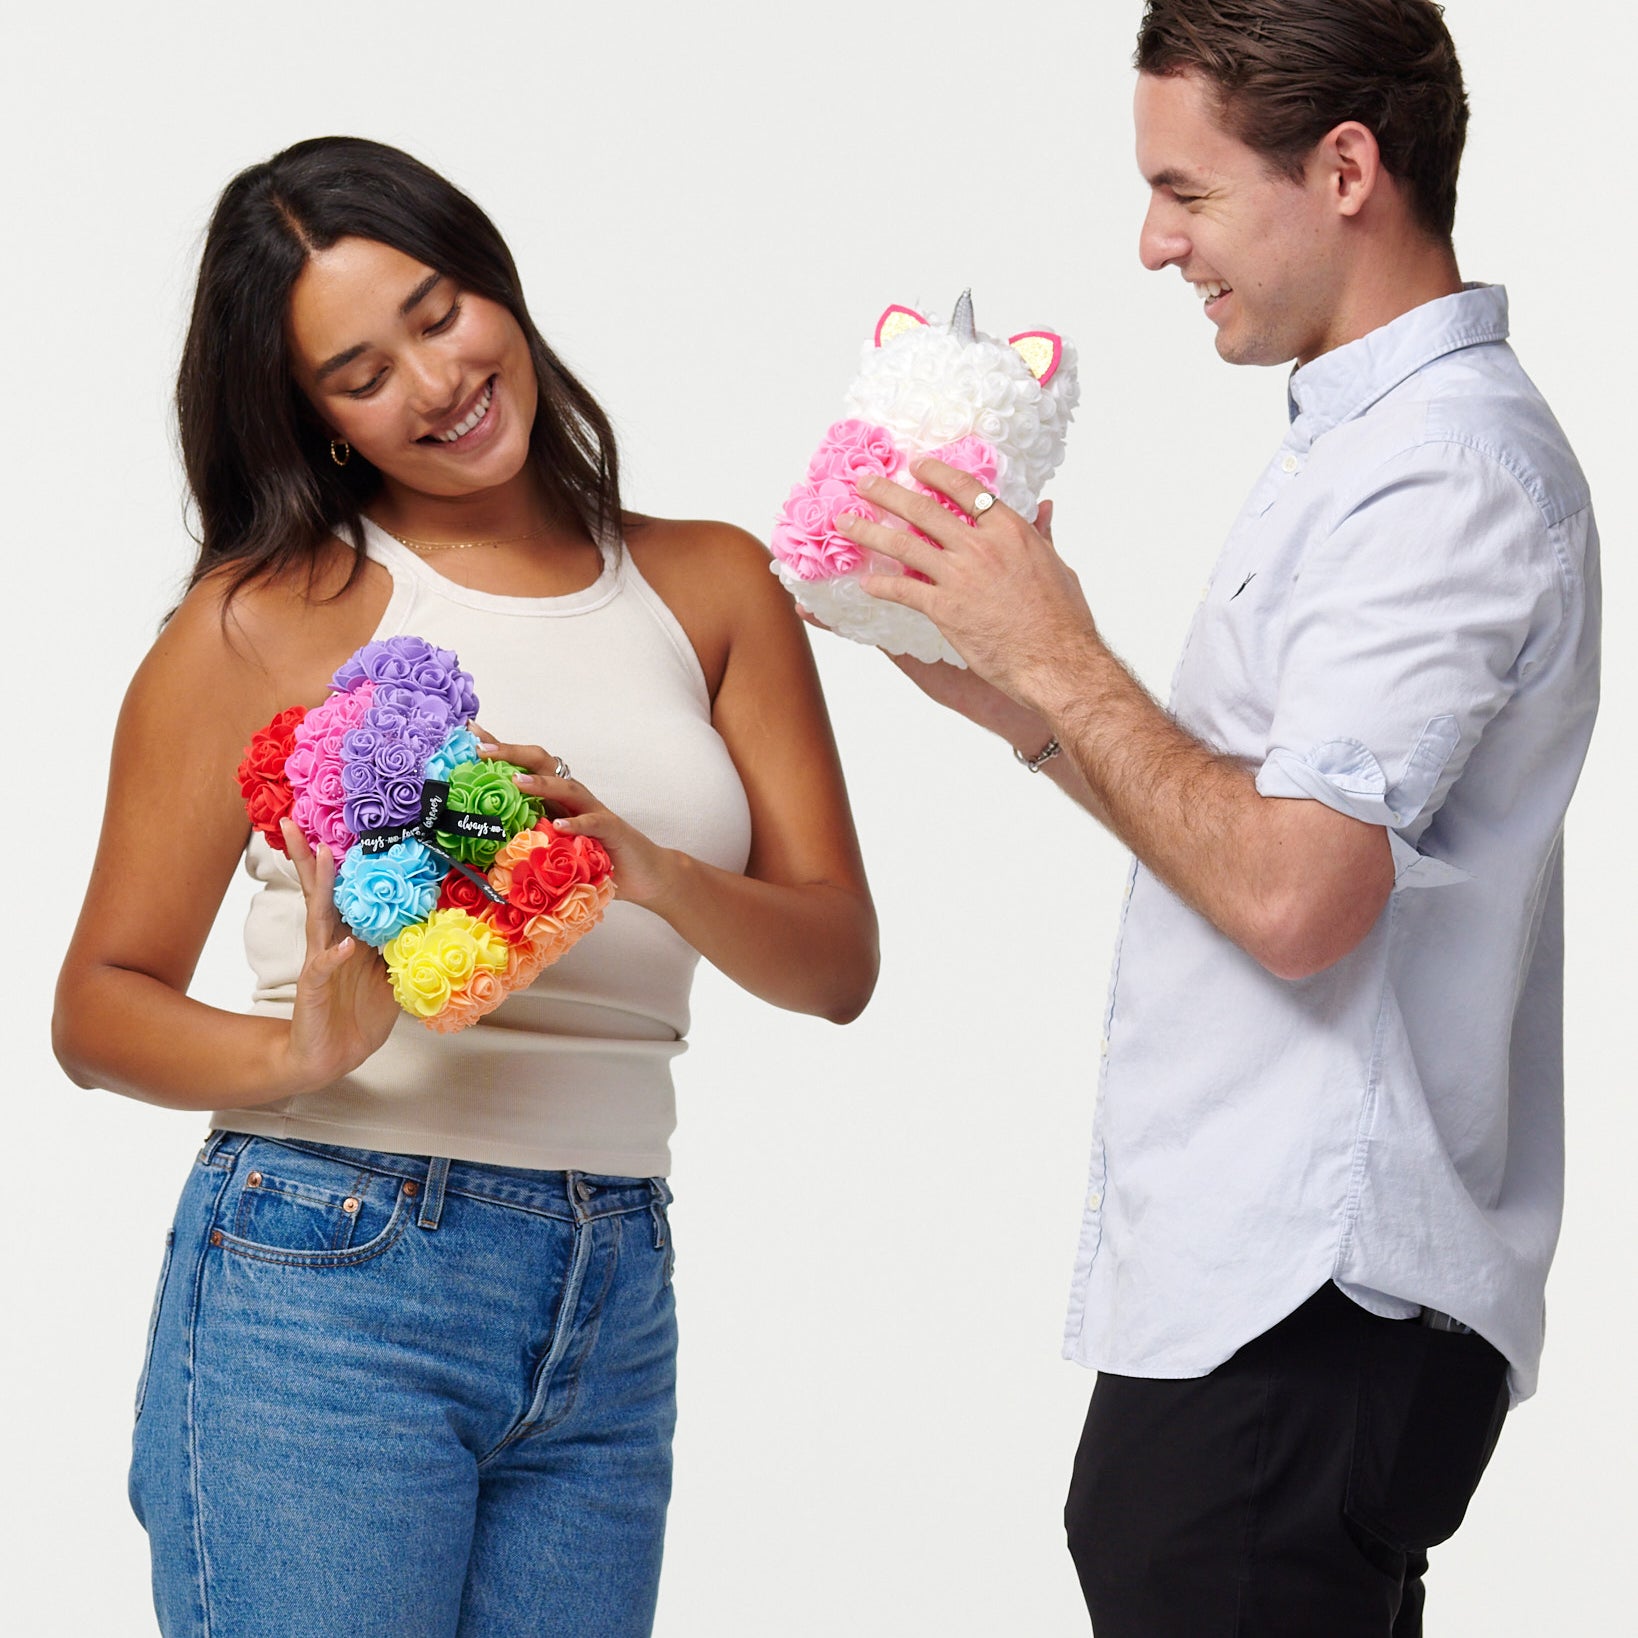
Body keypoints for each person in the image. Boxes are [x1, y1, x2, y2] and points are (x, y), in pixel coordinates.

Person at [829, 2, 1599, 1632]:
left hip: (1304, 1310)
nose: (1149, 243)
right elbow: (1255, 828)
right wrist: (1030, 711)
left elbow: (1293, 895)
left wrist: (1062, 652)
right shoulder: (1367, 442)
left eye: (1184, 193)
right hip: (1269, 1316)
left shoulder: (1439, 472)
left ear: (1342, 169)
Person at [51, 136, 877, 1638]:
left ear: (493, 281)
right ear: (314, 418)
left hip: (608, 1271)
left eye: (437, 312)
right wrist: (295, 1049)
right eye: (360, 373)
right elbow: (97, 1004)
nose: (433, 384)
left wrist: (645, 863)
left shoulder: (710, 585)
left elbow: (834, 964)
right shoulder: (260, 620)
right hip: (327, 1263)